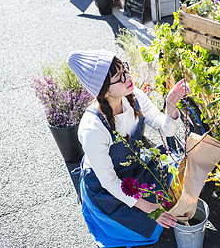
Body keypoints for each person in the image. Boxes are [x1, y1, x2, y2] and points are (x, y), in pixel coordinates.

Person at [67, 49, 190, 247]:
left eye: (126, 69)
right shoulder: (93, 128)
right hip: (107, 185)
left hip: (135, 166)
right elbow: (109, 181)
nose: (128, 77)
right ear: (104, 90)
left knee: (182, 179)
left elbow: (164, 128)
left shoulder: (135, 96)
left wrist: (171, 104)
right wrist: (150, 208)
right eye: (120, 77)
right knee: (149, 229)